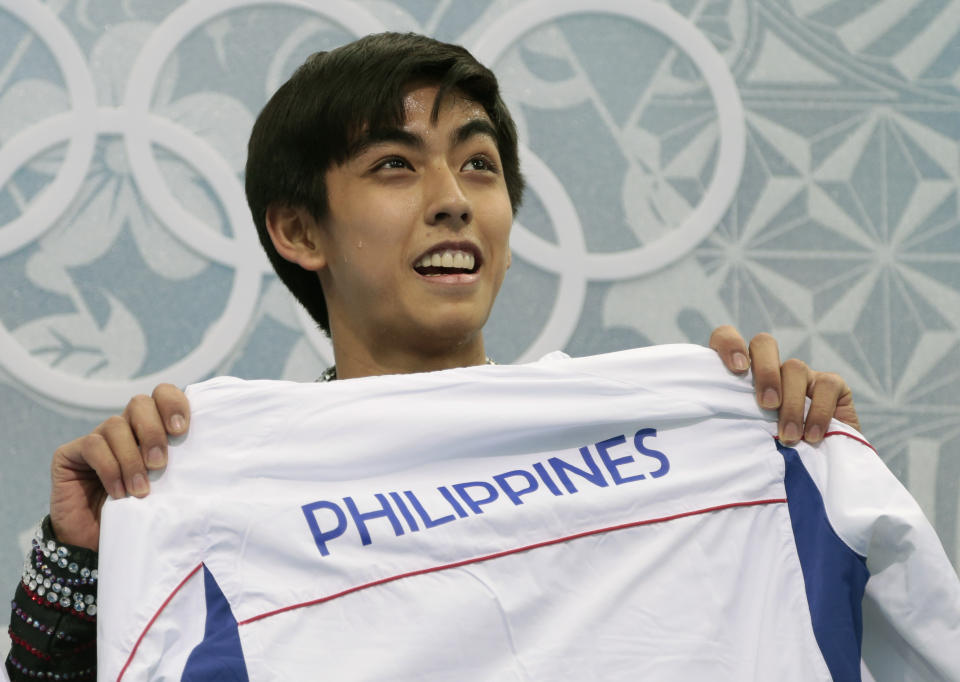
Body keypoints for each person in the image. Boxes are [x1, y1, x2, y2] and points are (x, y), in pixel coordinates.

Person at [6, 32, 860, 680]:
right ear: (300, 230)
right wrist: (84, 556)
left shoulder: (687, 436)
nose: (453, 201)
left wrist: (823, 482)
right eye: (394, 165)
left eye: (479, 165)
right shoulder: (224, 483)